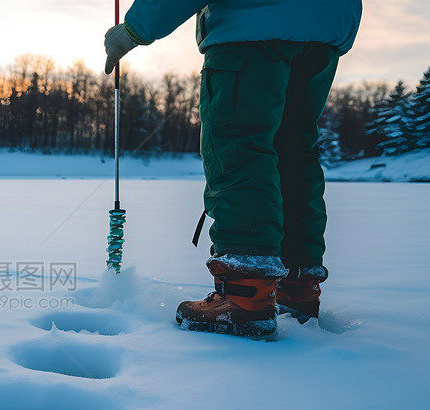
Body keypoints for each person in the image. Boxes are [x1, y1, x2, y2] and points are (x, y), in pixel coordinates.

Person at [104, 0, 362, 338]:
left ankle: (246, 295)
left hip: (252, 24)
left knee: (239, 147)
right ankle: (297, 288)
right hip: (326, 26)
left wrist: (135, 28)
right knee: (294, 152)